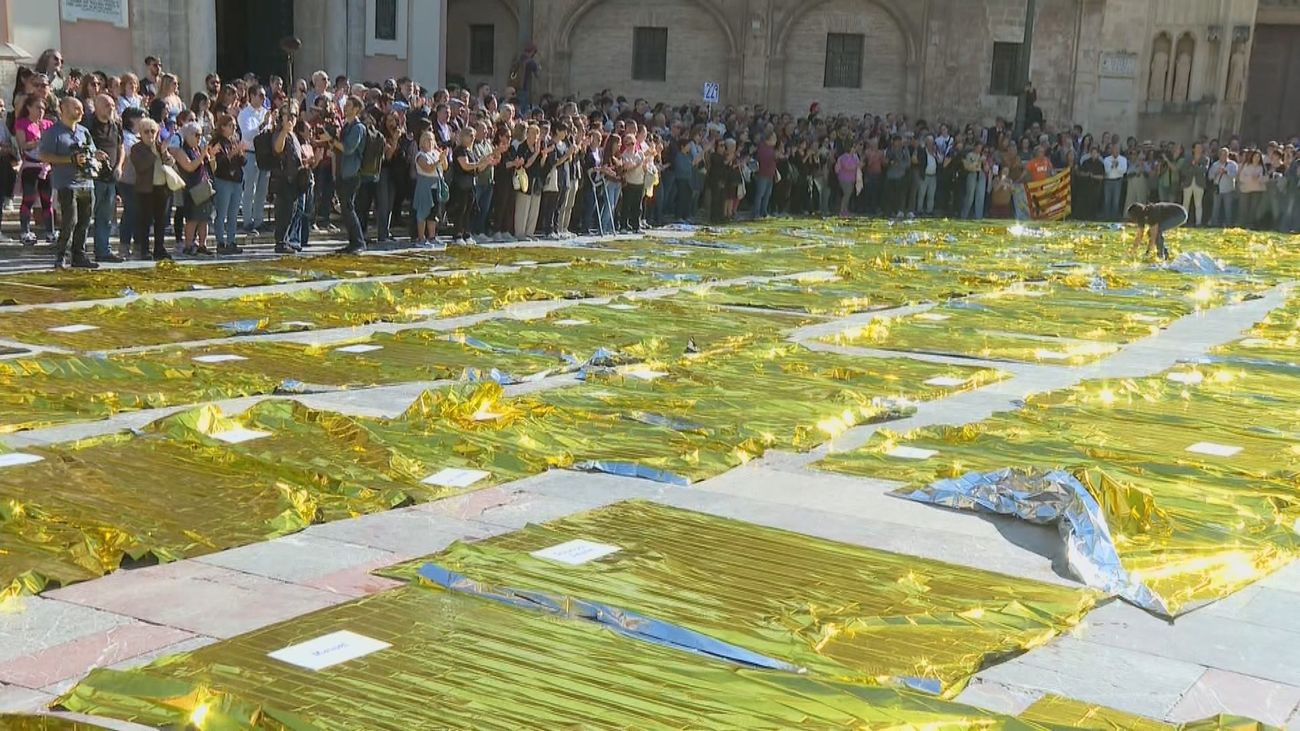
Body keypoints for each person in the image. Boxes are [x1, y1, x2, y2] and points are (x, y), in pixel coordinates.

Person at [38, 97, 104, 269]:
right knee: (70, 221)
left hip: (87, 182)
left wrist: (97, 157)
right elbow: (43, 156)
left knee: (85, 221)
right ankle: (62, 255)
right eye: (76, 108)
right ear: (63, 109)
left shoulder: (84, 131)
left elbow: (92, 150)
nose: (81, 112)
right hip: (66, 183)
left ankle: (79, 254)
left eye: (81, 109)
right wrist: (70, 159)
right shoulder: (54, 133)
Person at [327, 95, 368, 253]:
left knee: (348, 208)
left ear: (356, 109)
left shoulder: (358, 128)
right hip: (342, 172)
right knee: (345, 209)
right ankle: (353, 242)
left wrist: (333, 140)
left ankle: (358, 242)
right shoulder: (346, 126)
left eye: (349, 105)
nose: (346, 107)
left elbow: (349, 148)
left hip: (352, 173)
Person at [128, 117, 174, 260]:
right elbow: (141, 167)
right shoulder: (137, 148)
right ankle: (144, 249)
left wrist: (165, 153)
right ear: (141, 133)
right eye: (146, 132)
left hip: (162, 188)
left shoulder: (160, 146)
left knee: (161, 221)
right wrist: (154, 153)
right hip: (145, 190)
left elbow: (171, 162)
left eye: (153, 131)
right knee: (145, 221)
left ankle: (159, 248)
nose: (150, 135)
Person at [14, 93, 55, 245]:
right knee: (29, 199)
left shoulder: (48, 124)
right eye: (37, 107)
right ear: (29, 107)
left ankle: (50, 231)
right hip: (31, 166)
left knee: (47, 200)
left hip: (46, 166)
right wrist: (37, 141)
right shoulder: (22, 123)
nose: (41, 111)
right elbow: (23, 144)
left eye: (43, 108)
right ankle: (25, 231)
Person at [87, 94, 125, 263]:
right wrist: (93, 153)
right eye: (107, 105)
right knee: (85, 216)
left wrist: (119, 166)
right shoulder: (88, 123)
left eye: (112, 105)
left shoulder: (116, 124)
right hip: (92, 176)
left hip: (110, 177)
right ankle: (74, 250)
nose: (111, 108)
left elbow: (121, 147)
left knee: (106, 217)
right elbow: (80, 144)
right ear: (97, 106)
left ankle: (103, 250)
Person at [173, 122, 214, 256]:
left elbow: (212, 168)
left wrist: (211, 156)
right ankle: (188, 245)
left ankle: (203, 244)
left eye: (200, 135)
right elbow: (189, 167)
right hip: (191, 188)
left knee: (204, 219)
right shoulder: (181, 150)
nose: (199, 138)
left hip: (204, 187)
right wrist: (202, 156)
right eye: (196, 135)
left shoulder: (198, 150)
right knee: (192, 219)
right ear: (187, 135)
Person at [237, 85, 271, 233]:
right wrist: (263, 124)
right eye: (260, 95)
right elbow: (248, 135)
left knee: (262, 189)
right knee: (250, 188)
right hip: (250, 153)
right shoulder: (244, 114)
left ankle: (258, 220)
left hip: (265, 154)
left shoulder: (265, 112)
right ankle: (247, 221)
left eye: (264, 96)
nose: (263, 98)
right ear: (252, 96)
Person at [210, 113, 246, 253]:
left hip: (236, 180)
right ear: (223, 127)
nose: (233, 129)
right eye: (231, 126)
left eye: (235, 126)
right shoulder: (217, 143)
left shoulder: (233, 141)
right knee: (222, 213)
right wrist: (232, 153)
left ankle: (231, 241)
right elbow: (220, 163)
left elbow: (243, 162)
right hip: (223, 180)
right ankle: (220, 242)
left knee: (233, 214)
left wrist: (240, 153)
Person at [412, 130, 446, 247]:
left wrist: (443, 158)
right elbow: (427, 168)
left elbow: (445, 167)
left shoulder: (436, 153)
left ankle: (432, 237)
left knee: (433, 212)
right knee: (423, 211)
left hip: (436, 185)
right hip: (425, 185)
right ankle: (421, 238)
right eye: (427, 139)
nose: (430, 142)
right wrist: (439, 161)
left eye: (432, 139)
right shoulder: (420, 155)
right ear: (422, 142)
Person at [1179, 142, 1210, 226]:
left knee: (1198, 204)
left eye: (1200, 148)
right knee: (1185, 203)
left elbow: (1203, 170)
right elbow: (1183, 171)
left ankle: (1198, 223)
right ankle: (1183, 222)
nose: (1199, 149)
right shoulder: (1188, 159)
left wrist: (1194, 166)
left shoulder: (1205, 159)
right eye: (1197, 148)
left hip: (1199, 184)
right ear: (1193, 149)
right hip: (1188, 183)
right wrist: (1196, 168)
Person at [1209, 147, 1238, 227]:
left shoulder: (1232, 164)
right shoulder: (1215, 164)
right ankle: (1214, 224)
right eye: (1221, 154)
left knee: (1228, 208)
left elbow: (1235, 175)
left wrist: (1226, 172)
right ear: (1219, 155)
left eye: (1225, 154)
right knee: (1215, 208)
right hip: (1217, 189)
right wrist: (1216, 172)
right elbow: (1210, 176)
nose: (1223, 156)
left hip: (1228, 190)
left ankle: (1228, 224)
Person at [1101, 143, 1127, 220]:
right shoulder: (1106, 159)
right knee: (1107, 200)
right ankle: (1107, 217)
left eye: (1117, 149)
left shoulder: (1123, 159)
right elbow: (1107, 171)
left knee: (1116, 201)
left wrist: (1117, 166)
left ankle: (1114, 218)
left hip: (1118, 181)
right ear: (1111, 150)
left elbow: (1123, 171)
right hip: (1108, 181)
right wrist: (1112, 166)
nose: (1116, 151)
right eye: (1114, 149)